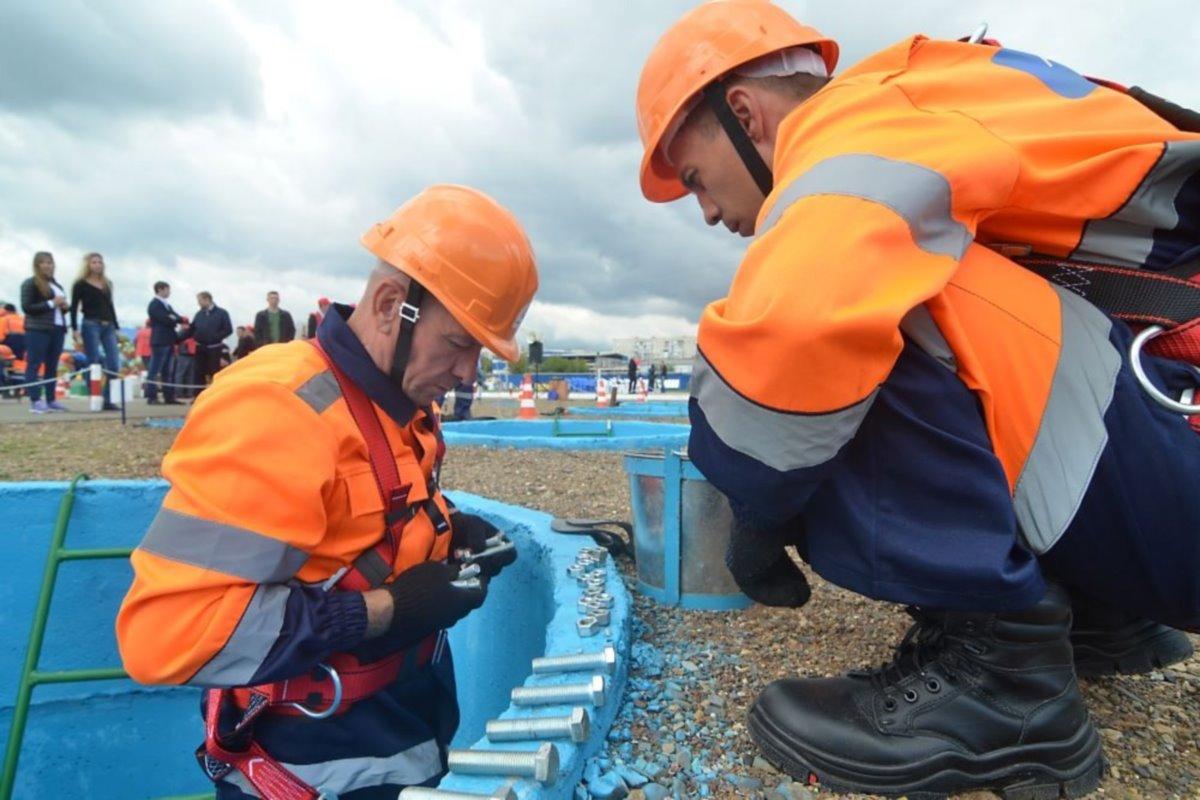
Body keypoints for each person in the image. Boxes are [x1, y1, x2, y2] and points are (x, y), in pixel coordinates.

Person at [636, 3, 1200, 797]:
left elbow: (802, 323)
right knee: (901, 264)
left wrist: (752, 499)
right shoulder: (936, 102)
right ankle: (1098, 611)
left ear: (744, 113)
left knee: (866, 292)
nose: (704, 210)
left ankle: (1006, 683)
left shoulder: (860, 126)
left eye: (694, 177)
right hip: (1174, 453)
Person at [116, 185, 538, 800]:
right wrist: (388, 611)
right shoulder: (279, 409)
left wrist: (452, 530)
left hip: (403, 728)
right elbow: (169, 634)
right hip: (314, 760)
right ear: (394, 304)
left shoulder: (399, 401)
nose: (470, 372)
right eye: (459, 342)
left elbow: (358, 528)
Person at [19, 252, 69, 413]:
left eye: (50, 262)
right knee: (34, 364)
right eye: (43, 262)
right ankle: (35, 400)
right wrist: (51, 303)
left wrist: (65, 308)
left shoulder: (57, 285)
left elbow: (59, 308)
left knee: (52, 366)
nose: (47, 265)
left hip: (58, 329)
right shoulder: (30, 283)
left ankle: (51, 399)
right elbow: (27, 307)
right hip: (38, 329)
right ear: (37, 265)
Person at [70, 252, 121, 411]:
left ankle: (108, 399)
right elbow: (74, 306)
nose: (97, 265)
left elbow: (110, 305)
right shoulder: (80, 284)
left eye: (99, 262)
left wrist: (116, 326)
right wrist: (74, 328)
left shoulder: (107, 283)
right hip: (90, 323)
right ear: (88, 265)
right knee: (94, 362)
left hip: (108, 325)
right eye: (94, 262)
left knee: (114, 363)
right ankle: (95, 395)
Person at [146, 281, 185, 405]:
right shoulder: (154, 305)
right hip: (160, 340)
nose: (169, 292)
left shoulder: (166, 305)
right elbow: (165, 318)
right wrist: (174, 319)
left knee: (168, 371)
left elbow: (175, 317)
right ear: (160, 290)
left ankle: (169, 396)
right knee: (154, 369)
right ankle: (151, 396)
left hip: (168, 340)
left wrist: (176, 319)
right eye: (167, 290)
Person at [190, 291, 233, 394]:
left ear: (207, 299)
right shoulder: (199, 314)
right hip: (200, 348)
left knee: (215, 373)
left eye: (199, 301)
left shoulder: (222, 313)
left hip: (214, 348)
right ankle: (198, 396)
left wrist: (215, 337)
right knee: (198, 373)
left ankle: (216, 394)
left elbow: (228, 329)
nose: (198, 303)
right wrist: (178, 338)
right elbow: (192, 329)